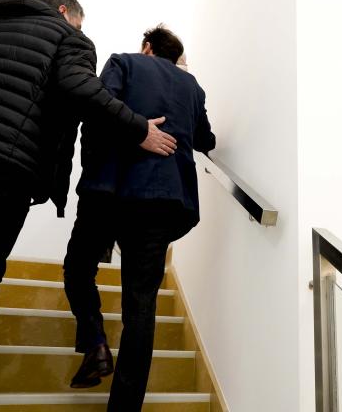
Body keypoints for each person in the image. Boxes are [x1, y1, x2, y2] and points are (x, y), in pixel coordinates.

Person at [0, 0, 177, 411]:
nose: (80, 31)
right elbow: (80, 88)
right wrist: (139, 129)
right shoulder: (67, 37)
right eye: (79, 23)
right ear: (62, 12)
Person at [62, 25, 215, 411]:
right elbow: (205, 140)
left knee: (79, 269)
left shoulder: (124, 63)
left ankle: (95, 341)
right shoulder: (192, 87)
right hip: (162, 200)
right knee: (141, 305)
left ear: (146, 48)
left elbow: (99, 108)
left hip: (109, 191)